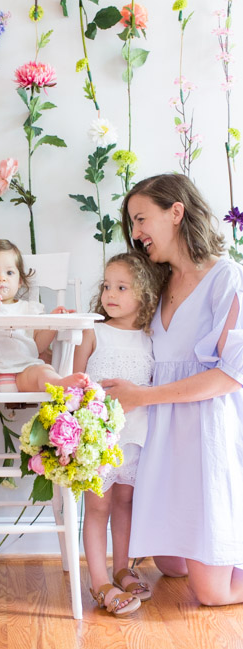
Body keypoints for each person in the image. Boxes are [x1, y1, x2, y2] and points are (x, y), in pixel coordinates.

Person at [102, 173, 243, 606]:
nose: (137, 233)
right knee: (170, 564)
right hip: (161, 440)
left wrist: (141, 396)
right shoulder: (159, 285)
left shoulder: (226, 278)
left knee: (212, 594)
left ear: (176, 212)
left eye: (142, 218)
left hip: (205, 437)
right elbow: (117, 326)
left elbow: (230, 375)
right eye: (133, 223)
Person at [73, 252, 163, 616]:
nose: (111, 293)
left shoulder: (150, 336)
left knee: (125, 504)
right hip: (99, 439)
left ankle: (122, 567)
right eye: (107, 286)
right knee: (97, 507)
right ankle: (98, 580)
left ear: (144, 295)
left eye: (122, 287)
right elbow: (74, 382)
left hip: (136, 437)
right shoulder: (93, 330)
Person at [0, 238, 89, 392]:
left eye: (9, 272)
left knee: (43, 372)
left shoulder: (29, 309)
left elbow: (39, 345)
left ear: (20, 280)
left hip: (25, 368)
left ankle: (57, 382)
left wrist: (54, 323)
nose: (1, 278)